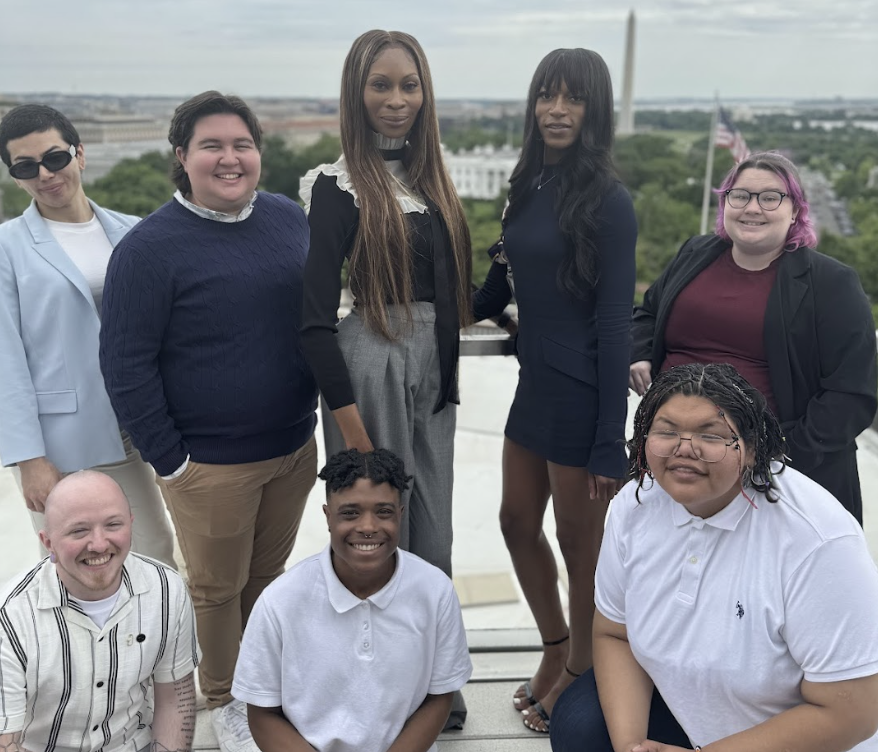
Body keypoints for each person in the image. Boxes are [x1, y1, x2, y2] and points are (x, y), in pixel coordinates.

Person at [99, 91, 319, 752]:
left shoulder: (288, 218)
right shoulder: (148, 249)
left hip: (291, 447)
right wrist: (171, 460)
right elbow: (125, 362)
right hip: (209, 463)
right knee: (216, 591)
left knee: (263, 579)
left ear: (259, 153)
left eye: (241, 144)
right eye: (212, 146)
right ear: (182, 158)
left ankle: (262, 687)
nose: (230, 158)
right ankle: (224, 702)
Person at [549, 363, 878, 752]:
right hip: (690, 712)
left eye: (712, 435)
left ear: (754, 450)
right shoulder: (633, 505)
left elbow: (853, 711)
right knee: (580, 726)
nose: (684, 448)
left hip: (798, 737)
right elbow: (614, 632)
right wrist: (632, 746)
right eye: (667, 431)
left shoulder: (817, 540)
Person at [299, 30, 472, 727]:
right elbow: (312, 320)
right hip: (371, 361)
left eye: (409, 85)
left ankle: (435, 678)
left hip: (435, 367)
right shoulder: (337, 187)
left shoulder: (434, 178)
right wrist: (353, 435)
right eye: (381, 86)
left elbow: (452, 295)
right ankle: (376, 688)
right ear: (356, 94)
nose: (396, 100)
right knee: (374, 532)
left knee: (434, 535)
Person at [472, 48, 637, 733]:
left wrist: (608, 442)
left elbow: (610, 320)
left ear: (593, 111)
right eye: (547, 95)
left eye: (572, 99)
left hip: (579, 395)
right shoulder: (529, 182)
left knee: (580, 544)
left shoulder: (608, 199)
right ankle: (556, 647)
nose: (556, 110)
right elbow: (506, 285)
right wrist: (496, 285)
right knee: (515, 522)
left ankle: (583, 670)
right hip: (533, 382)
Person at [629, 151, 876, 524]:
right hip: (674, 457)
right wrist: (639, 354)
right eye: (739, 195)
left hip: (771, 475)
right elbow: (646, 313)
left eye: (770, 197)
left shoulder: (830, 283)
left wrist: (773, 456)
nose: (752, 208)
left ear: (795, 210)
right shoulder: (695, 253)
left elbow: (852, 391)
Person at [0, 104, 176, 567]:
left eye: (54, 158)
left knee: (154, 555)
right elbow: (6, 360)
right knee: (72, 568)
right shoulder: (7, 247)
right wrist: (28, 459)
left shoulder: (134, 232)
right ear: (14, 176)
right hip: (62, 444)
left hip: (139, 431)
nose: (44, 174)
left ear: (79, 154)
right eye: (25, 167)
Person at [232, 448, 473, 752]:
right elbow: (262, 713)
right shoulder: (279, 602)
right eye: (350, 513)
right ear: (328, 517)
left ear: (400, 514)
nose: (368, 527)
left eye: (383, 512)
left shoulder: (435, 591)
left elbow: (440, 695)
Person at [0, 471, 199, 752]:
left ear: (130, 524)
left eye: (113, 524)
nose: (99, 544)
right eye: (78, 531)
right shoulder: (9, 617)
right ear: (48, 543)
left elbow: (175, 701)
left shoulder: (167, 590)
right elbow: (6, 740)